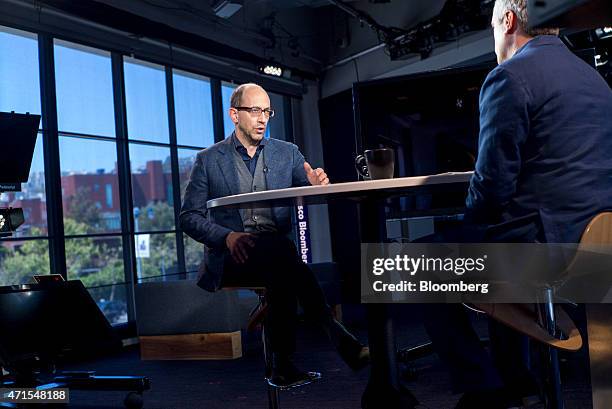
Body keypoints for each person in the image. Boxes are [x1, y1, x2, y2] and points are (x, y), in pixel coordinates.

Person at [422, 0, 612, 408]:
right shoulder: (595, 80)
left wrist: (468, 229)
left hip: (548, 259)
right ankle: (516, 378)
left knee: (413, 262)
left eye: (492, 25)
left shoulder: (509, 77)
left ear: (508, 21)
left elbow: (490, 187)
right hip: (601, 251)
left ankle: (484, 389)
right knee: (493, 240)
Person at [179, 83, 368, 388]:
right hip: (232, 256)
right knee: (284, 258)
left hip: (276, 253)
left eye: (267, 111)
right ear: (234, 114)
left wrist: (315, 183)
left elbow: (308, 185)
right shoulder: (209, 159)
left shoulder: (287, 153)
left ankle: (282, 366)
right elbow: (189, 217)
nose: (262, 118)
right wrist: (227, 237)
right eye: (254, 110)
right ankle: (333, 334)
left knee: (279, 259)